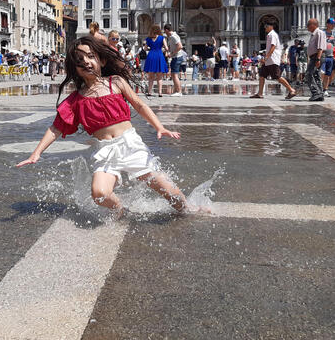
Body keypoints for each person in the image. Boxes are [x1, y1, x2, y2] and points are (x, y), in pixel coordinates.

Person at [16, 36, 203, 218]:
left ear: (102, 61)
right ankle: (120, 210)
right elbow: (55, 128)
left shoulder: (116, 82)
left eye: (91, 56)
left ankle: (188, 208)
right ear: (75, 69)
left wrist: (159, 127)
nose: (87, 62)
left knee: (168, 190)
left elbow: (140, 105)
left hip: (130, 144)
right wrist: (36, 153)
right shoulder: (76, 99)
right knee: (99, 193)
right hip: (105, 150)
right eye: (80, 60)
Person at [252, 22, 297, 99]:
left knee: (277, 76)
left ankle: (291, 90)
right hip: (268, 60)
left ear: (271, 26)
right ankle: (260, 93)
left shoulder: (272, 35)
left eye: (266, 26)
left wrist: (266, 57)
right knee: (262, 75)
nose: (265, 28)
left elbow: (273, 47)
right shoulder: (270, 35)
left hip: (272, 59)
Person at [143, 24, 169, 97]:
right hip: (159, 56)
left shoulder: (148, 39)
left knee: (150, 77)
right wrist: (163, 49)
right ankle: (160, 92)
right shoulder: (162, 38)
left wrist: (149, 48)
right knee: (159, 77)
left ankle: (150, 92)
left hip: (151, 55)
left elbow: (144, 49)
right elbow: (166, 48)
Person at [305, 18, 327, 102]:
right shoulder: (313, 34)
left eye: (308, 25)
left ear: (313, 25)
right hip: (314, 57)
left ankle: (316, 93)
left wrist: (318, 59)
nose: (307, 27)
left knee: (309, 74)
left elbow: (320, 47)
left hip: (317, 56)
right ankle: (320, 94)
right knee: (316, 75)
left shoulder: (319, 33)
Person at [163, 23, 183, 96]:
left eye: (165, 31)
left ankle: (179, 91)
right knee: (173, 74)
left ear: (167, 30)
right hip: (175, 57)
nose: (165, 33)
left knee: (174, 75)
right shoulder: (171, 37)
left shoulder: (174, 36)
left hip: (177, 57)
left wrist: (172, 54)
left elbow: (180, 46)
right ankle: (177, 90)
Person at [321, 17, 335, 96]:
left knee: (328, 74)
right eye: (332, 24)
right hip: (323, 56)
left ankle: (325, 89)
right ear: (327, 24)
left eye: (334, 24)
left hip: (330, 56)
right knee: (322, 72)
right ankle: (320, 88)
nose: (333, 26)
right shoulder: (322, 33)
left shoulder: (334, 34)